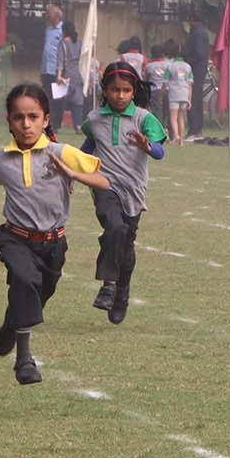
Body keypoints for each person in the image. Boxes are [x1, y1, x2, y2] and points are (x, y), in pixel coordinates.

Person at [0, 82, 110, 385]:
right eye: (18, 117)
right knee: (24, 279)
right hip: (16, 238)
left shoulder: (61, 152)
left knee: (38, 294)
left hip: (53, 244)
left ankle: (11, 324)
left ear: (46, 119)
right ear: (9, 120)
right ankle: (24, 360)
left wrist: (72, 174)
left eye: (33, 116)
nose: (26, 124)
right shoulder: (2, 158)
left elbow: (103, 181)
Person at [80, 58, 167, 325]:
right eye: (115, 90)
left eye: (126, 90)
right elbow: (87, 148)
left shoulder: (144, 118)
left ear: (133, 91)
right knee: (114, 227)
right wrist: (71, 170)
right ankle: (108, 285)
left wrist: (147, 146)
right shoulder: (95, 119)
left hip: (133, 189)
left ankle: (122, 293)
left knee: (125, 243)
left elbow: (160, 152)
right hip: (105, 185)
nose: (120, 95)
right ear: (105, 90)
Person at [184, 11, 212, 137]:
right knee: (197, 98)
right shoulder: (203, 32)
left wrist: (187, 61)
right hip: (200, 69)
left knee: (193, 99)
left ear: (193, 20)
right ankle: (197, 128)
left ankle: (194, 129)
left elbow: (198, 53)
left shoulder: (197, 33)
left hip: (195, 69)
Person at [165, 42, 194, 144]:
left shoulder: (170, 66)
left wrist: (165, 90)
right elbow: (190, 84)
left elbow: (165, 82)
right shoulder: (188, 67)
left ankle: (176, 135)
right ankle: (181, 140)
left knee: (173, 117)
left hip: (174, 94)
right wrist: (189, 99)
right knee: (181, 117)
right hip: (184, 94)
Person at [40, 3, 66, 95]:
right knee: (46, 95)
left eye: (49, 13)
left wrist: (62, 71)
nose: (48, 15)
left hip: (56, 70)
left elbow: (65, 51)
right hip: (46, 69)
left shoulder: (63, 30)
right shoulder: (48, 30)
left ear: (56, 16)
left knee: (57, 96)